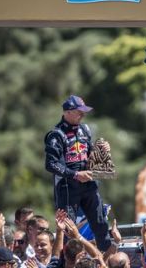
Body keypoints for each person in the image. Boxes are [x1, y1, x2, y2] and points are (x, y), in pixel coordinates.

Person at [44, 95, 111, 252]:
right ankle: (68, 261)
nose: (83, 114)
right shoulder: (56, 134)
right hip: (67, 188)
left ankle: (107, 260)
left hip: (89, 184)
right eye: (79, 111)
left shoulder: (85, 129)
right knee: (68, 230)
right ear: (68, 112)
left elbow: (89, 155)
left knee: (101, 222)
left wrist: (100, 151)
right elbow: (51, 164)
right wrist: (75, 174)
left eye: (84, 111)